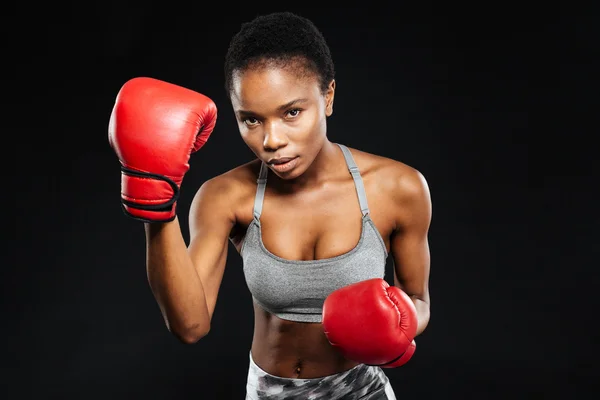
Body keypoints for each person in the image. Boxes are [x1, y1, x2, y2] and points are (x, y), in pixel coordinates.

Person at [108, 11, 431, 400]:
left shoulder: (399, 187)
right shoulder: (225, 197)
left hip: (362, 391)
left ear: (327, 96)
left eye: (292, 112)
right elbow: (190, 326)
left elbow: (418, 298)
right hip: (268, 392)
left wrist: (403, 320)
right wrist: (156, 207)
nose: (271, 140)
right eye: (251, 120)